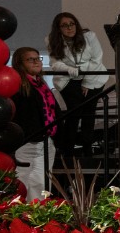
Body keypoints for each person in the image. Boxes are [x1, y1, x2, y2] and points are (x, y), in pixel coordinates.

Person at [45, 11, 105, 166]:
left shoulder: (89, 37)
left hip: (93, 77)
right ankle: (68, 150)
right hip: (68, 79)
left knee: (88, 112)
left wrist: (86, 81)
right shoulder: (52, 40)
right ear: (58, 29)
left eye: (71, 24)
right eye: (64, 25)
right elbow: (55, 63)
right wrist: (71, 69)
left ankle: (87, 149)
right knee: (74, 113)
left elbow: (97, 59)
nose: (69, 28)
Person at [10, 47, 58, 197]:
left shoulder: (41, 84)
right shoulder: (17, 85)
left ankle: (38, 214)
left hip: (46, 140)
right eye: (31, 59)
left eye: (38, 58)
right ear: (20, 63)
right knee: (24, 180)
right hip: (28, 142)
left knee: (42, 183)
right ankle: (22, 215)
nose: (36, 62)